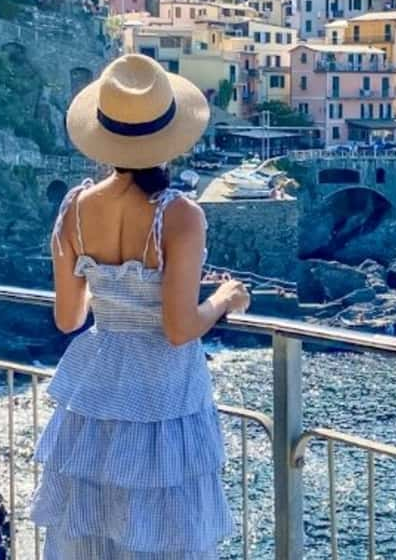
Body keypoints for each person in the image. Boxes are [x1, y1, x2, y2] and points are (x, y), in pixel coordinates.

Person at [30, 54, 250, 559]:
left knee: (93, 524)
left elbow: (69, 319)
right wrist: (224, 298)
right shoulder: (180, 215)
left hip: (97, 384)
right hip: (162, 392)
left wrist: (115, 294)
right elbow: (179, 328)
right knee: (161, 531)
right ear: (169, 135)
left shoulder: (75, 208)